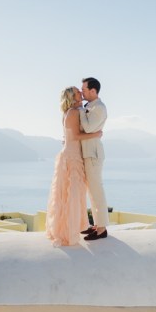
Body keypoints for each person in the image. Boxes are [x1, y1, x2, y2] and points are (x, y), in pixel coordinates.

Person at [45, 87, 102, 247]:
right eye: (78, 92)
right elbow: (76, 136)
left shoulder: (72, 111)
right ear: (72, 96)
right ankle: (69, 232)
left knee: (68, 195)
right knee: (72, 195)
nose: (81, 94)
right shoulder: (73, 112)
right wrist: (95, 134)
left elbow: (68, 136)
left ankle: (68, 229)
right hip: (72, 157)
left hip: (70, 154)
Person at [78, 77, 110, 240]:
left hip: (93, 154)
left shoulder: (99, 107)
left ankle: (102, 229)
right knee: (92, 191)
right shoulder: (90, 107)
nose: (81, 92)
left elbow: (89, 128)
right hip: (88, 153)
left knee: (97, 190)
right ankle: (97, 224)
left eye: (84, 89)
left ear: (93, 91)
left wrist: (80, 110)